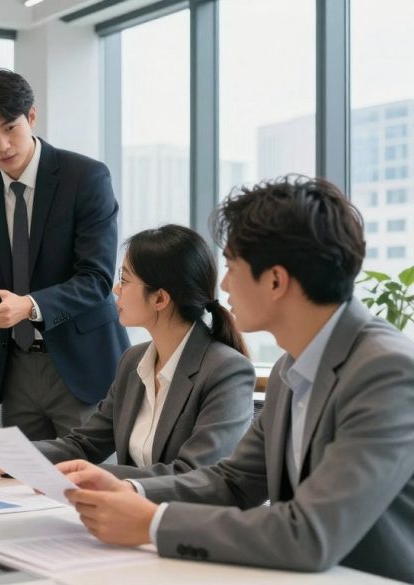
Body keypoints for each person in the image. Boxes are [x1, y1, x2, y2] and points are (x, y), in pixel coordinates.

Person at [62, 176, 414, 583]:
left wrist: (154, 524)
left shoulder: (386, 371)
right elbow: (234, 482)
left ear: (276, 280)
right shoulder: (289, 370)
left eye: (231, 267)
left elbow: (309, 534)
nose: (224, 285)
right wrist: (132, 493)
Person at [0, 225, 253, 479]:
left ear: (160, 298)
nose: (116, 289)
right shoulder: (133, 361)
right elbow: (85, 444)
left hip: (185, 522)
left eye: (124, 280)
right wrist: (18, 454)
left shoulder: (226, 371)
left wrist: (92, 475)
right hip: (130, 517)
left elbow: (192, 474)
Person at [0, 68, 129, 441]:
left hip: (84, 367)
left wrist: (29, 306)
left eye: (10, 128)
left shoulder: (85, 177)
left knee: (89, 489)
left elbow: (96, 278)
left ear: (31, 117)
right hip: (17, 369)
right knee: (20, 488)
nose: (2, 145)